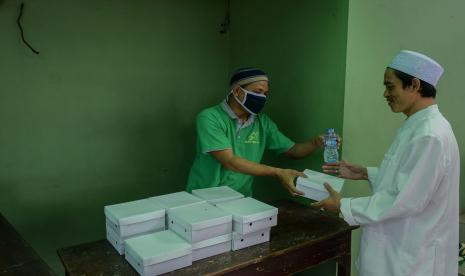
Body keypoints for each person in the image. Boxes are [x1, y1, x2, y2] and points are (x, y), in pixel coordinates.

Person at [315, 50, 459, 276]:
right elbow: (408, 179)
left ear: (414, 85)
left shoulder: (430, 134)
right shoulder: (417, 126)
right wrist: (365, 173)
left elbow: (406, 199)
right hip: (398, 248)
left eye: (390, 86)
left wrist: (343, 205)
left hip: (410, 258)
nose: (385, 93)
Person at [186, 67, 326, 197]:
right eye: (257, 92)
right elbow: (229, 161)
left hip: (240, 198)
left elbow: (294, 151)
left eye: (265, 94)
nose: (262, 97)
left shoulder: (262, 122)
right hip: (204, 197)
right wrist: (278, 172)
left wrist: (315, 142)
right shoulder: (210, 117)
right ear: (237, 91)